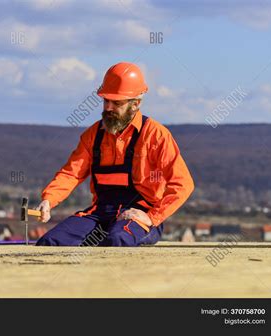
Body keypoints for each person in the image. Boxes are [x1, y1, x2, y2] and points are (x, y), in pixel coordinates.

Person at [36, 62, 194, 247]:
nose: (108, 107)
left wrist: (152, 217)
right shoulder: (92, 136)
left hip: (138, 217)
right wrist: (48, 200)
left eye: (116, 103)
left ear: (136, 103)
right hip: (100, 213)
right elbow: (71, 173)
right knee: (50, 241)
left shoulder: (156, 135)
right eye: (105, 100)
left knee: (117, 240)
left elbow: (183, 184)